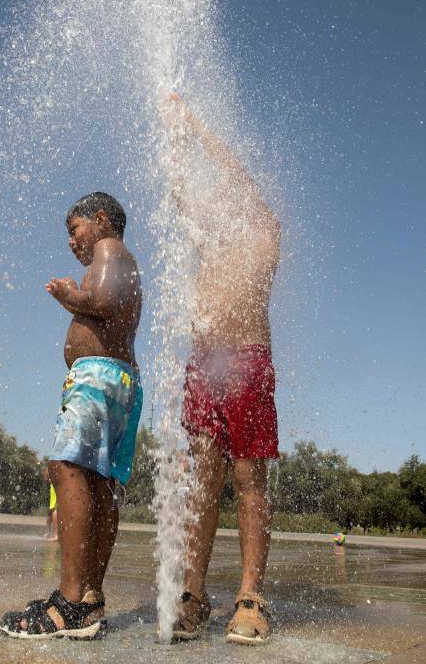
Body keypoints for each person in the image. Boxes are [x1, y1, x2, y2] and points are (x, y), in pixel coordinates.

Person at [160, 93, 280, 646]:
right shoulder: (211, 239)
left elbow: (237, 176)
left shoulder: (264, 232)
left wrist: (197, 125)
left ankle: (251, 598)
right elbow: (182, 195)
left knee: (247, 477)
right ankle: (194, 594)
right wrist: (175, 141)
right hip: (204, 364)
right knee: (203, 477)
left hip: (248, 360)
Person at [0, 192, 143, 640]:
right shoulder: (120, 256)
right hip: (116, 380)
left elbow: (101, 301)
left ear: (100, 220)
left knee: (66, 469)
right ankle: (88, 600)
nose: (71, 241)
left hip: (97, 378)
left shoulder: (109, 249)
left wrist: (68, 295)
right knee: (99, 486)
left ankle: (65, 603)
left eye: (74, 229)